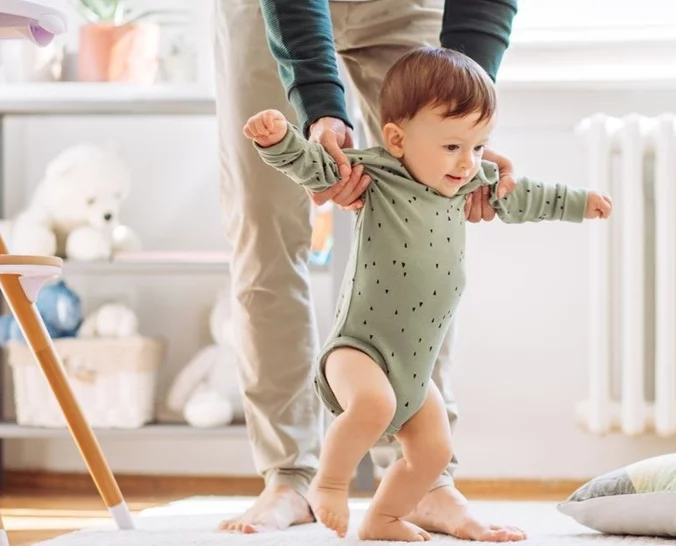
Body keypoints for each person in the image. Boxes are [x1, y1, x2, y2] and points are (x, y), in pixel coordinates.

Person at [244, 46, 613, 541]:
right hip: (360, 349)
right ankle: (327, 485)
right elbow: (316, 167)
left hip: (415, 370)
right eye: (452, 147)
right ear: (396, 138)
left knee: (433, 452)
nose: (468, 163)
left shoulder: (467, 184)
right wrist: (279, 140)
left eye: (479, 147)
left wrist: (579, 203)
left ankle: (385, 517)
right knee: (372, 406)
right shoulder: (375, 174)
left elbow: (523, 196)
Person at [213, 0, 527, 540]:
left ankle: (424, 482)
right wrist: (318, 108)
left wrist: (464, 125)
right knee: (264, 231)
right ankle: (289, 477)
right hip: (275, 12)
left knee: (427, 227)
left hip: (405, 8)